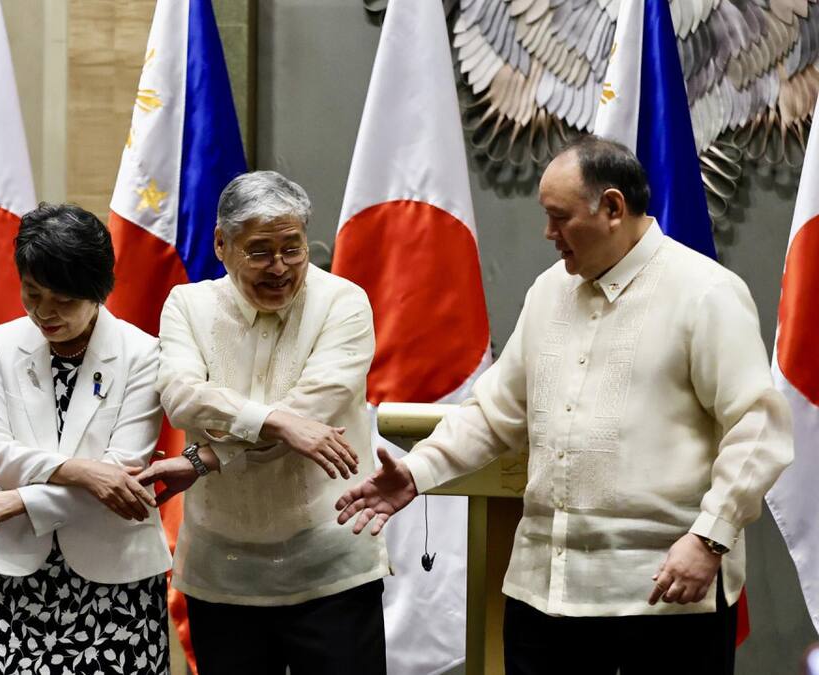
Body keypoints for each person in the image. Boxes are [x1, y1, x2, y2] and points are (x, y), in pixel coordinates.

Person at [336, 136, 794, 674]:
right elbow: (495, 415)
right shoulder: (548, 291)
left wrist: (710, 538)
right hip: (544, 593)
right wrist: (416, 473)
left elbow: (757, 429)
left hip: (663, 590)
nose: (548, 233)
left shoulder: (706, 292)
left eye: (560, 217)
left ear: (613, 208)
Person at [138, 171, 388, 675]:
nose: (279, 268)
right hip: (222, 569)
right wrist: (276, 421)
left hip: (330, 562)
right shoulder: (188, 305)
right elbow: (182, 398)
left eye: (292, 248)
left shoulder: (344, 301)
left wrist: (209, 457)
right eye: (259, 251)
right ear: (221, 244)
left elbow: (316, 407)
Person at [0, 203, 173, 675]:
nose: (44, 313)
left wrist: (18, 502)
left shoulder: (142, 353)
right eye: (32, 294)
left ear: (98, 292)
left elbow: (123, 474)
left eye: (63, 300)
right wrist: (82, 471)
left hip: (117, 579)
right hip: (19, 577)